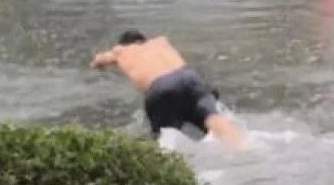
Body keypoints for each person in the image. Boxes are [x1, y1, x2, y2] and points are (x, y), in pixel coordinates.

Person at [90, 30, 246, 149]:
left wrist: (98, 63)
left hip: (161, 86)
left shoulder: (121, 50)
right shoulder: (160, 42)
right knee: (216, 122)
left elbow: (99, 60)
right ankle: (243, 149)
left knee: (163, 143)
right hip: (192, 79)